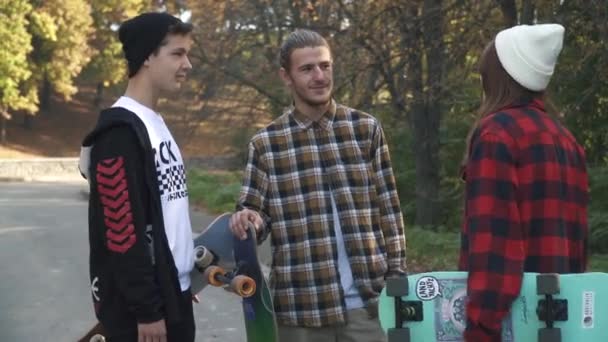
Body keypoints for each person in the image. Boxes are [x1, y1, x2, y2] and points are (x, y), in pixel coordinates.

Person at [229, 29, 406, 341]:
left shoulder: (365, 130)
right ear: (286, 76)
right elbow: (253, 213)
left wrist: (398, 279)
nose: (320, 76)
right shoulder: (266, 144)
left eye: (325, 66)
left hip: (369, 307)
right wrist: (249, 220)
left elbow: (389, 209)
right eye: (307, 68)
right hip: (300, 311)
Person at [459, 24, 589, 341]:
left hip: (512, 324)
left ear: (498, 77)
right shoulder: (566, 139)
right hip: (558, 319)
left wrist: (480, 329)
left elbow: (495, 246)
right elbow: (578, 246)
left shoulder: (496, 135)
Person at [78, 12, 196, 342]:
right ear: (146, 56)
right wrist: (147, 308)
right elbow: (121, 231)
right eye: (177, 53)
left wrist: (176, 281)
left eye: (187, 53)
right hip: (142, 316)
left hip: (171, 295)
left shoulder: (154, 124)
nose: (187, 64)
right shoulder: (119, 133)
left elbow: (165, 219)